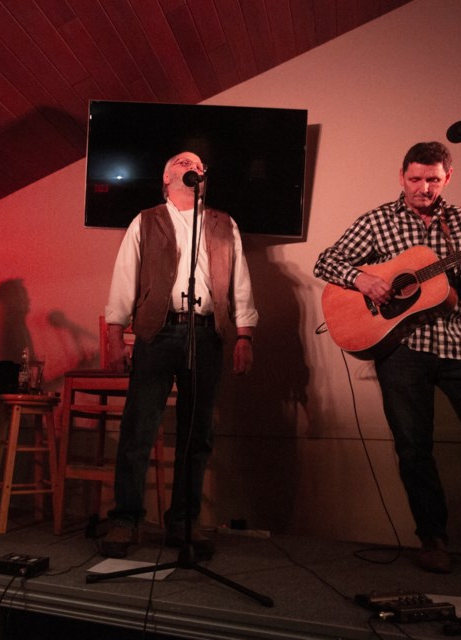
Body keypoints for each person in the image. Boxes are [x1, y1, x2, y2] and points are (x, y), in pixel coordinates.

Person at [313, 142, 461, 586]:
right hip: (402, 346)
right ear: (402, 176)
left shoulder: (460, 222)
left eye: (433, 180)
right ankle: (433, 539)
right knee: (414, 446)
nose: (424, 187)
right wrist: (363, 278)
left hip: (460, 342)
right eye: (416, 178)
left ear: (447, 179)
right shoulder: (377, 220)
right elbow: (327, 260)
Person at [100, 151, 258, 558]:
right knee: (139, 428)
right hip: (157, 332)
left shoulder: (224, 223)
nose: (193, 167)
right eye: (183, 163)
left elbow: (239, 280)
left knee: (196, 434)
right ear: (166, 178)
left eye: (198, 164)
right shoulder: (147, 219)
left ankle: (182, 522)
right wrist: (115, 336)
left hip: (206, 334)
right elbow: (124, 276)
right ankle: (126, 519)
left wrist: (245, 335)